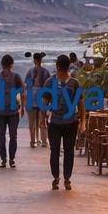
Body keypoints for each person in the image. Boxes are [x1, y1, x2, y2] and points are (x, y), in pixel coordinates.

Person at [43, 54, 81, 190]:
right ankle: (67, 179)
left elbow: (45, 102)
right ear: (69, 66)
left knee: (55, 151)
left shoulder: (49, 82)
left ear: (57, 66)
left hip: (54, 122)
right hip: (71, 122)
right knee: (69, 151)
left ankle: (56, 177)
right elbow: (80, 103)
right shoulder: (74, 83)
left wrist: (43, 118)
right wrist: (82, 120)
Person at [0, 54, 25, 169]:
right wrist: (22, 107)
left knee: (1, 136)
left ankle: (4, 159)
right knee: (13, 136)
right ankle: (11, 159)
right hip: (12, 112)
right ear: (12, 64)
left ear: (2, 64)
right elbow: (23, 93)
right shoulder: (16, 76)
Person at [24, 52, 51, 149]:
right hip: (42, 98)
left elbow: (26, 86)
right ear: (41, 60)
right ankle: (44, 141)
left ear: (34, 60)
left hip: (31, 99)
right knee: (42, 121)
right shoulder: (45, 71)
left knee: (32, 123)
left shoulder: (29, 71)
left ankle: (33, 141)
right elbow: (49, 87)